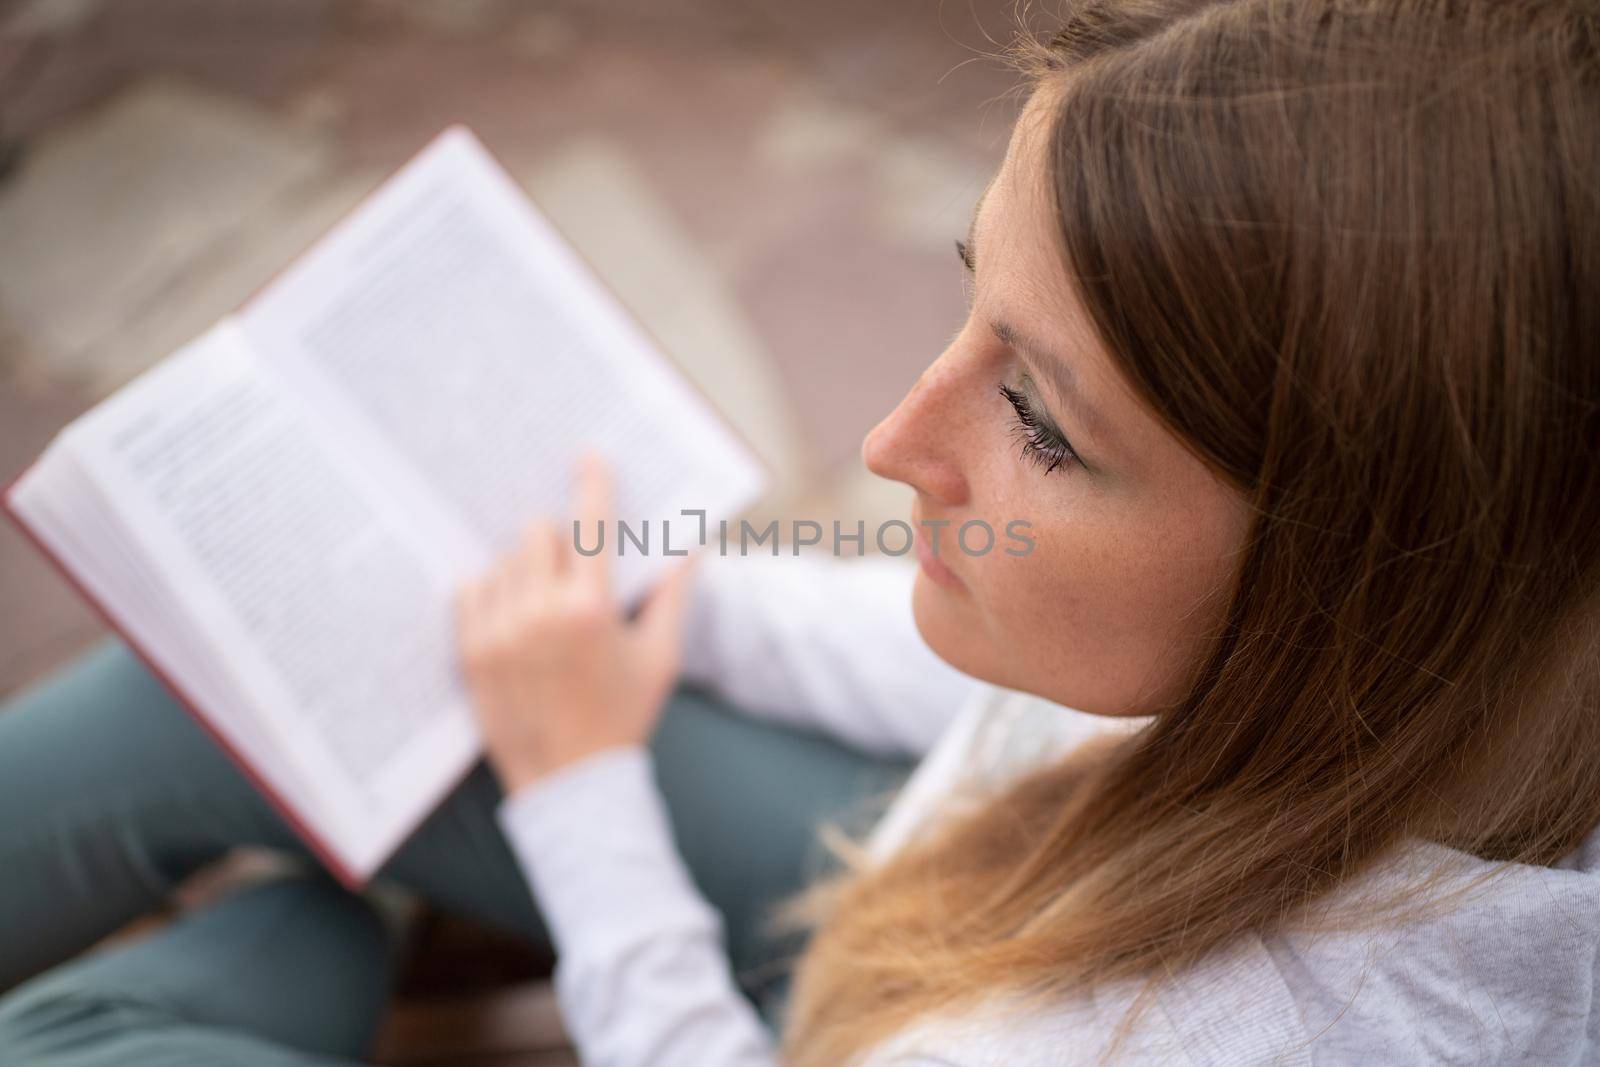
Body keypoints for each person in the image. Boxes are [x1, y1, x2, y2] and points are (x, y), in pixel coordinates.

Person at [3, 0, 1599, 1063]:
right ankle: (317, 938)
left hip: (873, 1005)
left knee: (157, 1008)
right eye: (971, 298)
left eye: (1040, 422)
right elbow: (990, 711)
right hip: (958, 888)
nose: (893, 445)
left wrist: (580, 801)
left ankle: (299, 950)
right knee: (285, 681)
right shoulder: (1443, 692)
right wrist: (654, 598)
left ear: (1368, 584)